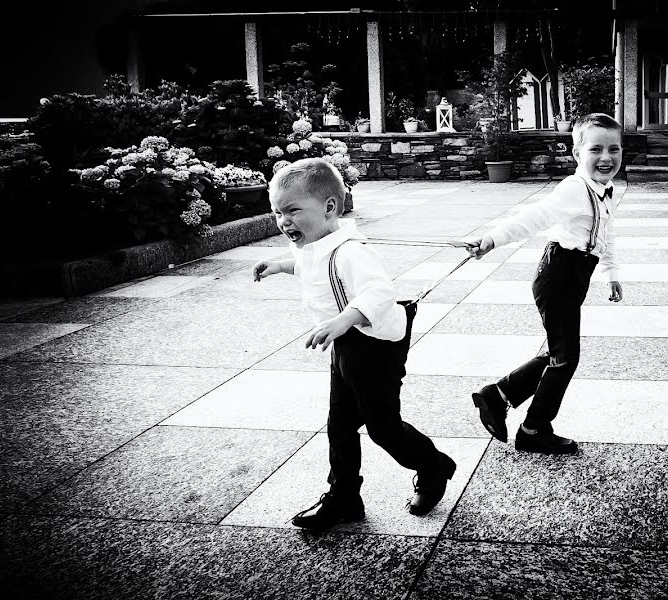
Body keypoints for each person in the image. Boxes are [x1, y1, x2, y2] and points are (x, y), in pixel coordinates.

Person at [252, 158, 456, 530]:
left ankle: (433, 465)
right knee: (340, 425)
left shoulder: (351, 251)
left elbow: (380, 292)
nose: (283, 221)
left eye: (293, 210)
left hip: (375, 346)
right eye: (277, 212)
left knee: (383, 427)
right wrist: (280, 266)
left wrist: (344, 318)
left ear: (330, 207)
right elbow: (309, 265)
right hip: (346, 344)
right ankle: (344, 496)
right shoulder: (318, 243)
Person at [464, 112, 624, 455]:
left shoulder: (604, 191)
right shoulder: (574, 189)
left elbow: (605, 232)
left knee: (559, 352)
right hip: (559, 275)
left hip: (575, 275)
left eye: (614, 149)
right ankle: (533, 429)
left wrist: (611, 272)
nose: (606, 157)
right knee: (565, 358)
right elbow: (534, 217)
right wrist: (492, 239)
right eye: (596, 149)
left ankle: (499, 394)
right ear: (576, 153)